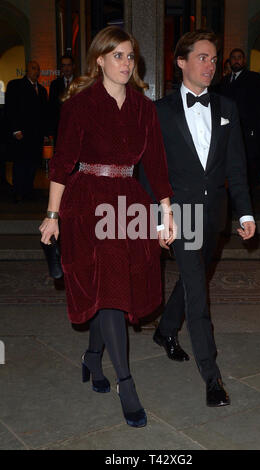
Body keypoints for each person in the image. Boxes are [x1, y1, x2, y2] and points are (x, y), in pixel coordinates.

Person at [39, 26, 175, 428]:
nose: (126, 63)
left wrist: (166, 213)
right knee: (111, 285)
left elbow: (156, 165)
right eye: (117, 55)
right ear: (99, 59)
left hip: (128, 202)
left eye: (130, 56)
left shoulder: (143, 107)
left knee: (112, 287)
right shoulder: (80, 105)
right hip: (87, 203)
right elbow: (62, 163)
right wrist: (52, 215)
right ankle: (126, 383)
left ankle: (94, 358)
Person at [151, 30, 256, 407]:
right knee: (198, 292)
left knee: (197, 274)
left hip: (215, 214)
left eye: (214, 59)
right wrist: (161, 219)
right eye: (203, 58)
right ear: (181, 61)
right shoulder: (160, 111)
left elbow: (236, 166)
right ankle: (212, 377)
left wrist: (244, 211)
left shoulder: (227, 108)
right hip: (180, 213)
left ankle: (165, 331)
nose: (211, 66)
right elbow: (152, 171)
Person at [220, 48, 260, 187]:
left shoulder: (254, 78)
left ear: (244, 61)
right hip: (227, 130)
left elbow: (258, 105)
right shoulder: (225, 81)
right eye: (233, 57)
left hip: (247, 130)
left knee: (247, 163)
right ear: (230, 61)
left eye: (239, 57)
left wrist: (254, 128)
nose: (236, 60)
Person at [5, 61, 48, 202]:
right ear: (27, 70)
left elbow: (43, 114)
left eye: (38, 69)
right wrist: (15, 129)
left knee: (33, 164)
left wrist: (45, 133)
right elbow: (11, 109)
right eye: (34, 68)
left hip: (36, 135)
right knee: (21, 163)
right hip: (21, 134)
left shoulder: (41, 90)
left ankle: (28, 191)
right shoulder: (15, 85)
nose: (37, 71)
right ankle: (18, 191)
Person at [49, 55, 75, 144]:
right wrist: (51, 130)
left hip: (77, 127)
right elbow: (52, 108)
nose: (66, 68)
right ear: (61, 68)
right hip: (60, 128)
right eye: (64, 65)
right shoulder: (54, 84)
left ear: (73, 66)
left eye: (69, 65)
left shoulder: (80, 83)